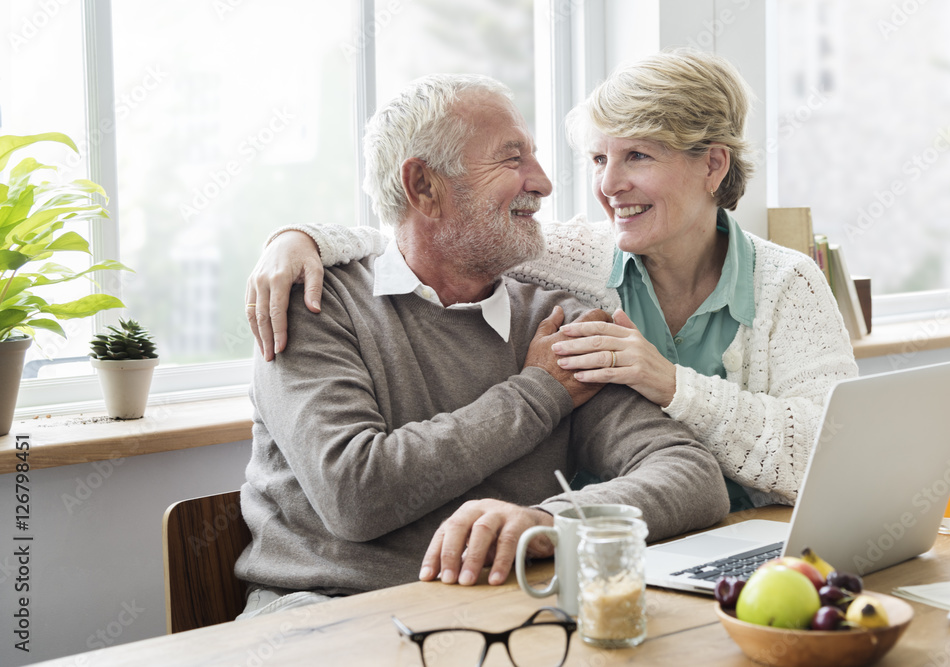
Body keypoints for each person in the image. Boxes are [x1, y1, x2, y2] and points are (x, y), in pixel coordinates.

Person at [247, 50, 859, 513]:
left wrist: (670, 384)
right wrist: (299, 240)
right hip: (612, 558)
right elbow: (417, 235)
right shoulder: (571, 264)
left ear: (713, 164)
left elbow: (834, 458)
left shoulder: (788, 283)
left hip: (754, 536)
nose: (606, 185)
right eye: (599, 159)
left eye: (638, 156)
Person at [236, 72, 729, 618]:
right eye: (511, 159)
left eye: (535, 158)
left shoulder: (555, 318)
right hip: (326, 616)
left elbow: (692, 476)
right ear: (423, 186)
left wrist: (549, 523)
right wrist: (537, 393)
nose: (542, 182)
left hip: (503, 613)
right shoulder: (309, 304)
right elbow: (356, 495)